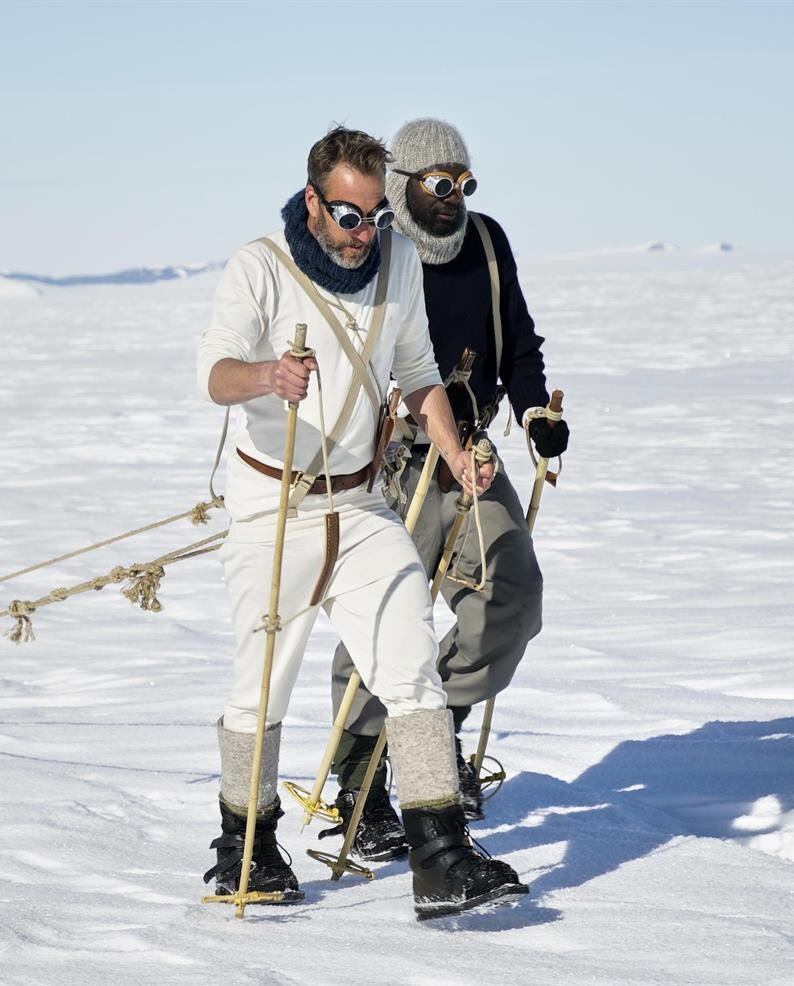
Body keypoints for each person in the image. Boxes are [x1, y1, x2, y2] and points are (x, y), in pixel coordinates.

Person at [196, 126, 527, 918]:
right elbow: (215, 377)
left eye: (376, 217)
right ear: (313, 200)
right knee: (261, 690)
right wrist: (266, 375)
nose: (363, 235)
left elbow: (417, 374)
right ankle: (244, 850)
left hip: (361, 501)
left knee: (409, 666)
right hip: (274, 506)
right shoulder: (261, 268)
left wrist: (454, 452)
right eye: (348, 216)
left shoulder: (398, 262)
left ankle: (440, 856)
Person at [325, 118, 570, 865]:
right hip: (389, 458)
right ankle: (361, 788)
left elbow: (520, 342)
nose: (455, 199)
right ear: (404, 185)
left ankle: (437, 737)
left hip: (474, 455)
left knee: (513, 593)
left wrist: (533, 411)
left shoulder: (488, 245)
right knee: (381, 620)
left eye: (464, 184)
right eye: (440, 184)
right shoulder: (377, 251)